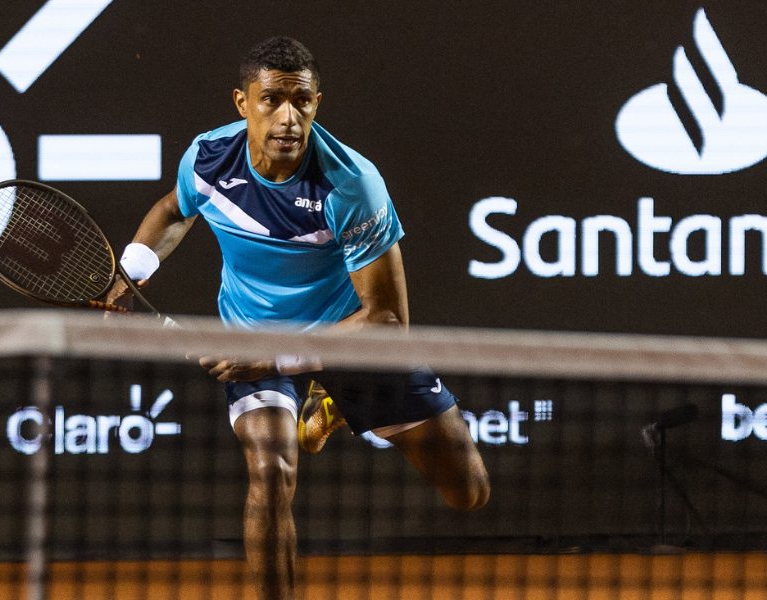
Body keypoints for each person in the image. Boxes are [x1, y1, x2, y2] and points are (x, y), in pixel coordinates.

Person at [108, 36, 490, 600]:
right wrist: (131, 270)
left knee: (469, 491)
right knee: (270, 471)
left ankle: (330, 402)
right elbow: (173, 209)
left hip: (347, 336)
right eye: (271, 100)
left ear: (316, 102)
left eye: (301, 101)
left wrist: (274, 357)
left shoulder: (352, 185)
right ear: (243, 103)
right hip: (252, 330)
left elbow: (387, 320)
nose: (288, 117)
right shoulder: (209, 158)